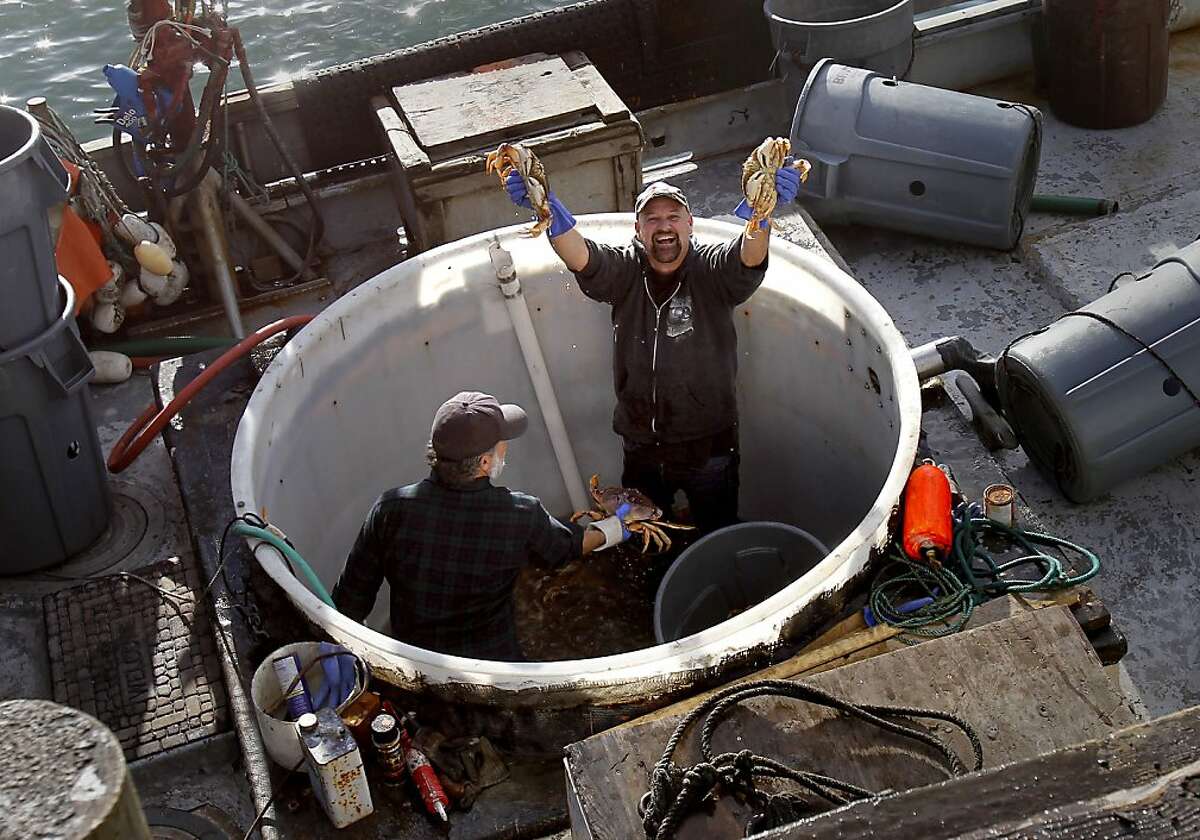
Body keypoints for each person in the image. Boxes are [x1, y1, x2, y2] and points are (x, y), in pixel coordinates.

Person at [503, 159, 801, 532]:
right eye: (652, 218)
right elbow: (583, 258)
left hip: (709, 446)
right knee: (641, 532)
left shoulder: (711, 270)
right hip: (640, 445)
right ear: (638, 229)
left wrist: (763, 213)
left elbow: (747, 257)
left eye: (673, 216)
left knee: (718, 528)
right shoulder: (626, 270)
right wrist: (546, 210)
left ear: (690, 224)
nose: (664, 226)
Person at [331, 391, 630, 661]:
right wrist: (618, 526)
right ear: (485, 463)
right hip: (493, 672)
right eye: (502, 445)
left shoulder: (390, 509)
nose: (505, 449)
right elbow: (568, 547)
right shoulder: (519, 514)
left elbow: (349, 601)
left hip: (416, 665)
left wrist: (340, 656)